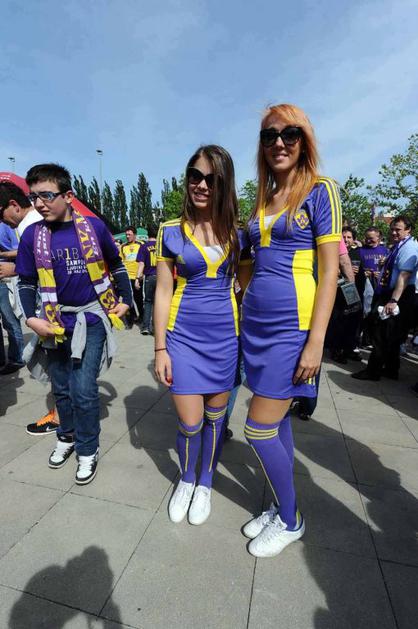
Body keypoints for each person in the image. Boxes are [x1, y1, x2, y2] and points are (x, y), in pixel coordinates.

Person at [239, 104, 341, 558]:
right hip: (256, 328)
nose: (279, 143)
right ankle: (283, 506)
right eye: (269, 136)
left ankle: (291, 519)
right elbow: (246, 260)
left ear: (305, 140)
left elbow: (330, 271)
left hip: (292, 329)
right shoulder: (262, 200)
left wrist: (315, 343)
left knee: (257, 429)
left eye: (290, 133)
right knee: (276, 422)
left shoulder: (321, 190)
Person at [16, 163, 132, 484]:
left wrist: (125, 299)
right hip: (53, 321)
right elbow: (26, 281)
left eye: (46, 195)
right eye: (34, 197)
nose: (39, 203)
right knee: (61, 387)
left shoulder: (93, 227)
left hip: (91, 317)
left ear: (68, 196)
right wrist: (32, 319)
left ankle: (87, 448)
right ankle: (66, 436)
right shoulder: (32, 236)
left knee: (83, 388)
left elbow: (116, 264)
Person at [154, 145, 250, 525]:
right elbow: (163, 291)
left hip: (225, 339)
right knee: (190, 423)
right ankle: (186, 478)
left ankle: (205, 481)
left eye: (212, 179)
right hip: (182, 339)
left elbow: (248, 289)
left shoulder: (239, 235)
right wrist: (160, 348)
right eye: (195, 175)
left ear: (224, 184)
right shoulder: (169, 231)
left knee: (214, 420)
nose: (202, 185)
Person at [0, 180, 60, 434]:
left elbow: (53, 261)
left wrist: (15, 269)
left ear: (14, 205)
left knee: (57, 363)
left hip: (53, 306)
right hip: (51, 304)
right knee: (57, 363)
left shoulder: (32, 225)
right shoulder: (31, 223)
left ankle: (61, 419)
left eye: (1, 214)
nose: (3, 222)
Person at [353, 215, 418, 381]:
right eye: (392, 229)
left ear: (408, 230)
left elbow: (404, 275)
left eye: (398, 229)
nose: (394, 232)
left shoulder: (409, 247)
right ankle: (391, 369)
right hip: (393, 292)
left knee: (381, 332)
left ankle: (373, 371)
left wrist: (393, 300)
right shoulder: (399, 246)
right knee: (392, 334)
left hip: (399, 294)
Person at [0, 219, 24, 373]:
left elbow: (20, 249)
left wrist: (2, 254)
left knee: (9, 320)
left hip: (4, 278)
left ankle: (17, 358)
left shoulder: (6, 225)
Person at [135, 224, 158, 335]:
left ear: (148, 234)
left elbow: (141, 264)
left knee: (148, 302)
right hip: (161, 277)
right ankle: (157, 327)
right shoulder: (162, 246)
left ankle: (145, 327)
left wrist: (137, 278)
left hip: (149, 277)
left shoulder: (144, 246)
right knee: (159, 302)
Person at [120, 226, 144, 328]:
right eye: (126, 234)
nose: (127, 236)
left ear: (134, 235)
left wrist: (141, 275)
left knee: (138, 299)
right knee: (128, 299)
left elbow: (144, 261)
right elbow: (121, 261)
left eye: (129, 234)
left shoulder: (141, 245)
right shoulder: (123, 247)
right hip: (126, 276)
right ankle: (131, 318)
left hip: (137, 276)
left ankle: (142, 317)